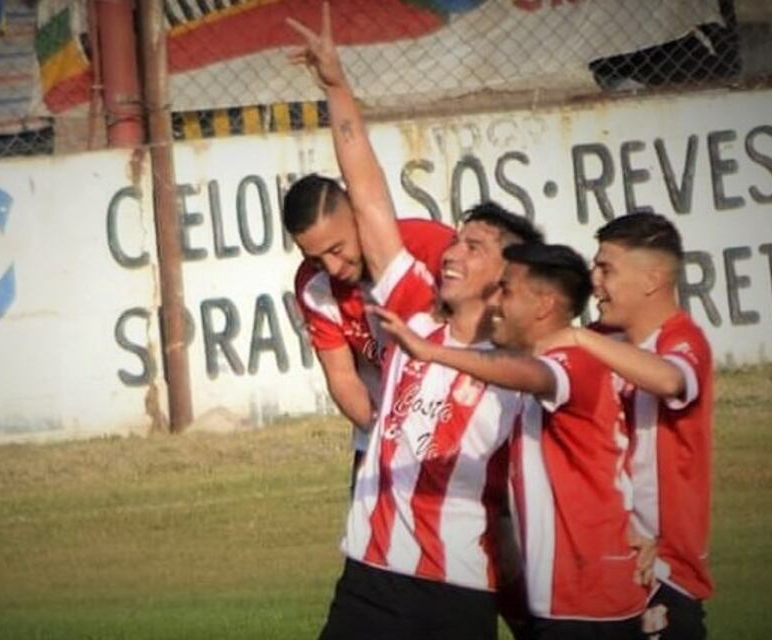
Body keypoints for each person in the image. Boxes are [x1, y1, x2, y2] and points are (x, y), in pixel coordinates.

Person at [287, 5, 542, 639]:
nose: (451, 250)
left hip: (451, 589)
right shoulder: (412, 312)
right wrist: (337, 87)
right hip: (369, 574)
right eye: (456, 241)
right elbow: (366, 188)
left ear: (509, 280)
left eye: (474, 246)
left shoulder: (527, 366)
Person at [376, 242, 652, 639]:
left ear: (543, 304)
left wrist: (430, 352)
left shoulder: (574, 363)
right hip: (570, 600)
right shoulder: (560, 362)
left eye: (506, 291)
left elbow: (533, 375)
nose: (495, 304)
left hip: (589, 604)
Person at [540, 213, 713, 638]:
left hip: (664, 571)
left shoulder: (683, 340)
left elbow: (672, 380)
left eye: (607, 269)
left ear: (652, 279)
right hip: (604, 565)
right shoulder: (603, 337)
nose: (594, 281)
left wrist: (580, 338)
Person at [284, 174, 455, 492]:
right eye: (316, 259)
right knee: (368, 537)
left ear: (358, 215)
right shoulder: (312, 285)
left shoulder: (431, 247)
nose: (332, 268)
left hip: (458, 430)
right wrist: (385, 436)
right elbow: (342, 377)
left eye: (337, 249)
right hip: (380, 434)